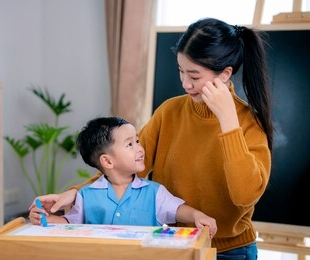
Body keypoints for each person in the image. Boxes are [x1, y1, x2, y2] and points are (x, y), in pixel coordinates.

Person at [29, 17, 273, 260]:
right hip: (174, 245)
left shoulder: (249, 122)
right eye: (181, 71)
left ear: (225, 74)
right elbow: (124, 166)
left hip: (230, 251)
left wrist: (228, 120)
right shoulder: (170, 112)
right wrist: (74, 194)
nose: (185, 84)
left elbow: (244, 196)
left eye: (195, 76)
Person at [31, 116, 217, 237]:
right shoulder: (85, 195)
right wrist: (44, 218)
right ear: (108, 161)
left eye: (137, 141)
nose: (140, 148)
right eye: (130, 145)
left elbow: (178, 209)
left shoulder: (154, 192)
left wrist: (197, 215)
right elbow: (69, 224)